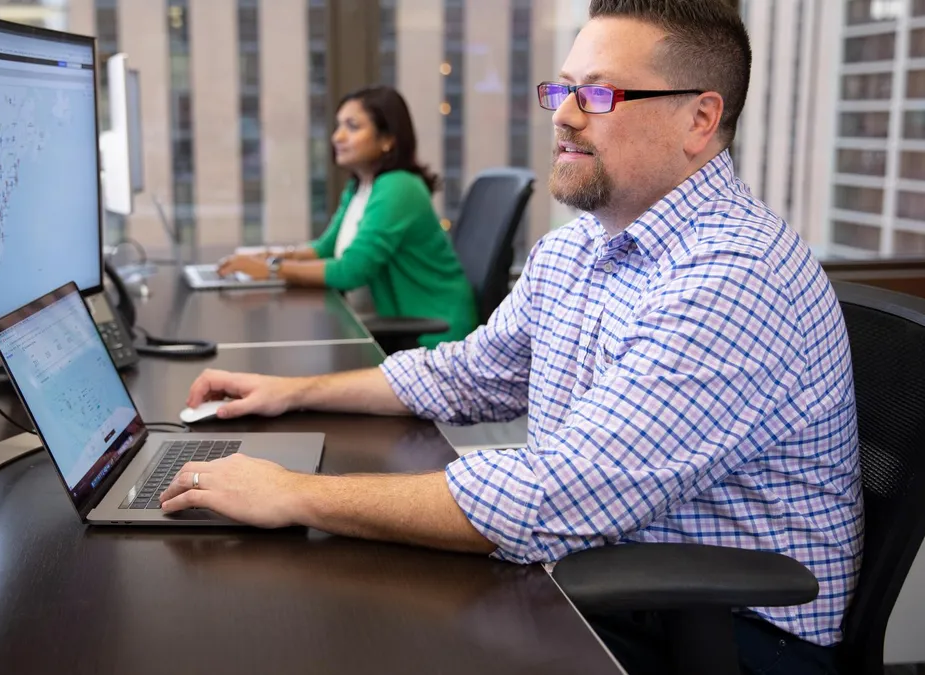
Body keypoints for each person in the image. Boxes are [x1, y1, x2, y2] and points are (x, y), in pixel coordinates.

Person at [161, 1, 861, 673]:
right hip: (602, 574)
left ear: (699, 118)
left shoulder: (731, 277)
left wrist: (294, 493)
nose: (561, 114)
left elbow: (551, 496)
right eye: (562, 88)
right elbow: (469, 374)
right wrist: (290, 393)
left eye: (600, 96)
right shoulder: (581, 245)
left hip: (726, 634)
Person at [216, 85, 477, 347]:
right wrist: (272, 257)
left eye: (352, 127)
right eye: (338, 126)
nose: (337, 137)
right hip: (400, 325)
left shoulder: (398, 187)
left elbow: (351, 271)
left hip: (435, 333)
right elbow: (326, 248)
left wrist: (271, 269)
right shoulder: (361, 185)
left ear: (388, 139)